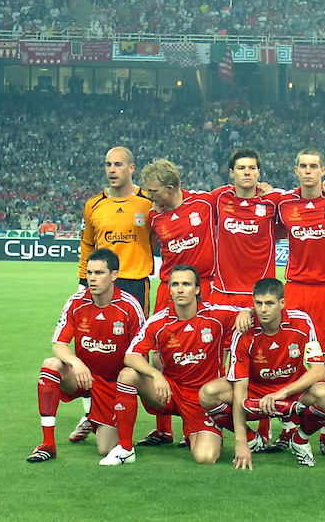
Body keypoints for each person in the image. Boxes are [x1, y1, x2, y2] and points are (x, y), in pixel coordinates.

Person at [104, 265, 251, 465]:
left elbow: (254, 311)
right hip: (169, 392)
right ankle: (126, 448)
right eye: (175, 284)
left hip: (202, 398)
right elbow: (131, 356)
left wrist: (248, 311)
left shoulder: (215, 315)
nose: (180, 289)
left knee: (206, 458)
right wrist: (156, 375)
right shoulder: (159, 321)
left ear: (197, 289)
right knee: (128, 375)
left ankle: (198, 431)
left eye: (186, 284)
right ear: (170, 290)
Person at [198, 278, 325, 469]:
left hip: (290, 392)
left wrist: (281, 394)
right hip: (256, 394)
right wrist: (241, 443)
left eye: (270, 303)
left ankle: (300, 438)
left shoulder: (302, 322)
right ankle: (252, 438)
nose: (263, 309)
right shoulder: (243, 333)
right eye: (259, 303)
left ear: (282, 303)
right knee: (209, 393)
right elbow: (240, 390)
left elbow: (318, 370)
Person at [73, 148, 159, 444]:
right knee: (93, 351)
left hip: (135, 283)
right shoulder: (93, 204)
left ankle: (153, 425)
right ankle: (91, 413)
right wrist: (84, 281)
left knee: (135, 353)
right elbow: (87, 245)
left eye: (118, 164)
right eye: (108, 164)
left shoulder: (149, 201)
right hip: (97, 284)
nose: (112, 169)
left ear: (131, 168)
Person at [28, 248, 145, 463]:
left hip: (113, 385)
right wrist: (76, 362)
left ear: (114, 275)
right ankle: (48, 444)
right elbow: (59, 344)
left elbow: (141, 351)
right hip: (84, 377)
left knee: (105, 449)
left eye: (99, 273)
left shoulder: (129, 306)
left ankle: (93, 419)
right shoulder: (76, 302)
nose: (92, 278)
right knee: (51, 364)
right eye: (89, 273)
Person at [276, 148, 325, 456]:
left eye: (314, 166)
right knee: (290, 359)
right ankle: (288, 429)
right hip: (295, 290)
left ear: (324, 171)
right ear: (296, 170)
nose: (308, 171)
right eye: (303, 166)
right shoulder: (284, 204)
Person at [138, 159, 219, 447]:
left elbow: (243, 194)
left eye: (154, 191)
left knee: (201, 357)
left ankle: (194, 425)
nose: (150, 197)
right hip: (166, 290)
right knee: (161, 358)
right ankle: (163, 429)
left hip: (203, 287)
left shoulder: (206, 203)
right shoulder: (154, 216)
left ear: (170, 188)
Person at [208, 148, 282, 309]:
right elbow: (187, 201)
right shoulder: (219, 197)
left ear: (258, 173)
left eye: (252, 168)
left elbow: (302, 201)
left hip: (261, 295)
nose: (247, 172)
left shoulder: (273, 200)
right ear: (231, 173)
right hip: (223, 292)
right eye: (241, 168)